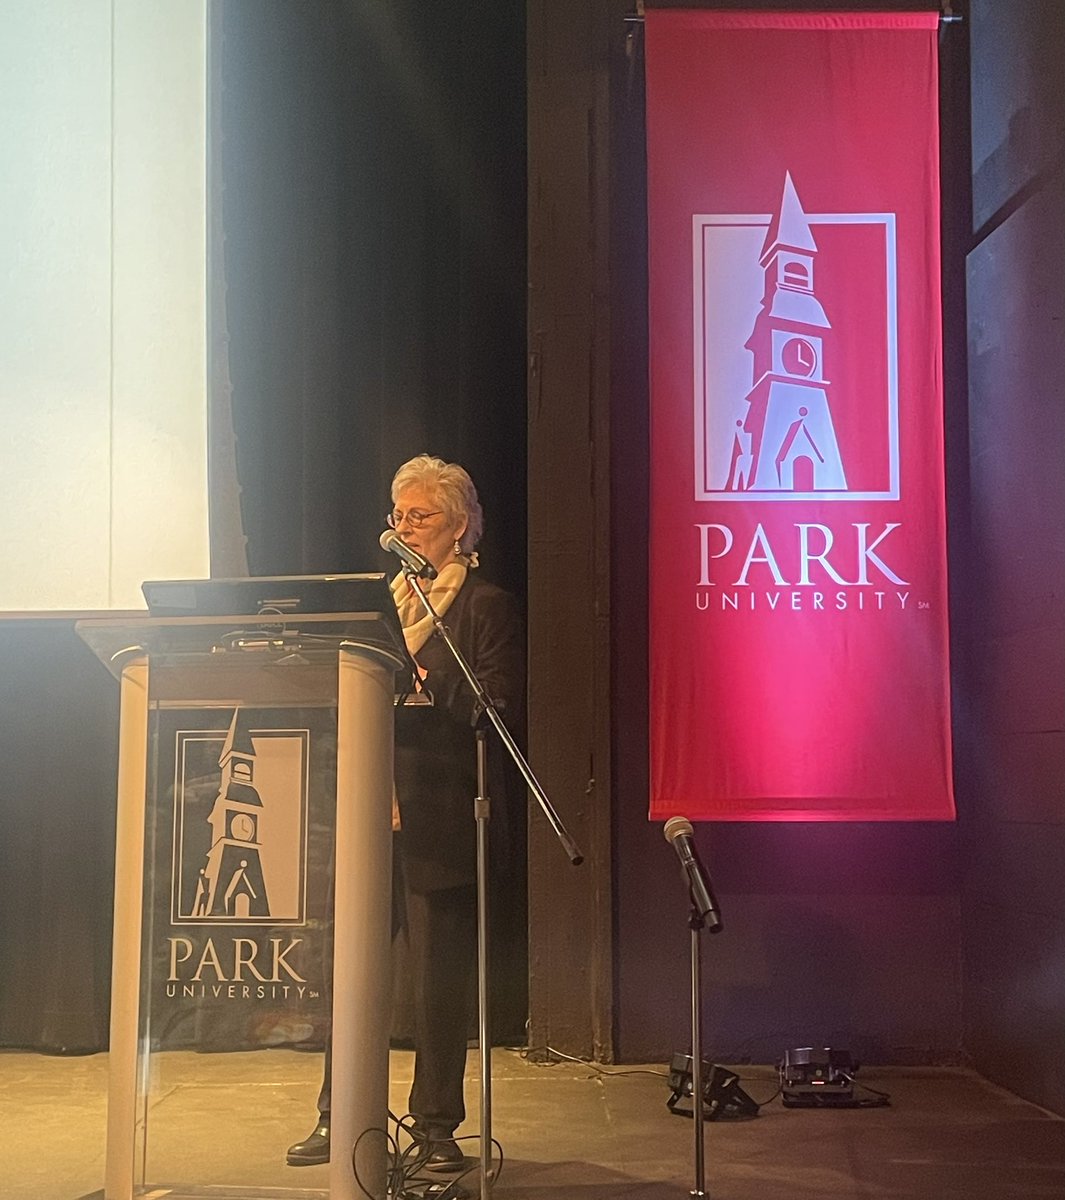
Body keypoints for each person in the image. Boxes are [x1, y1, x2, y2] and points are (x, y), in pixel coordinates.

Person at [287, 454, 525, 1173]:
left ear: (460, 528)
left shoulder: (483, 606)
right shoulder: (375, 606)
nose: (406, 528)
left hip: (443, 814)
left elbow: (497, 705)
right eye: (400, 516)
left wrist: (425, 681)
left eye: (421, 517)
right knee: (351, 974)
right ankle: (342, 1115)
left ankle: (435, 1128)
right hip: (366, 809)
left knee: (435, 985)